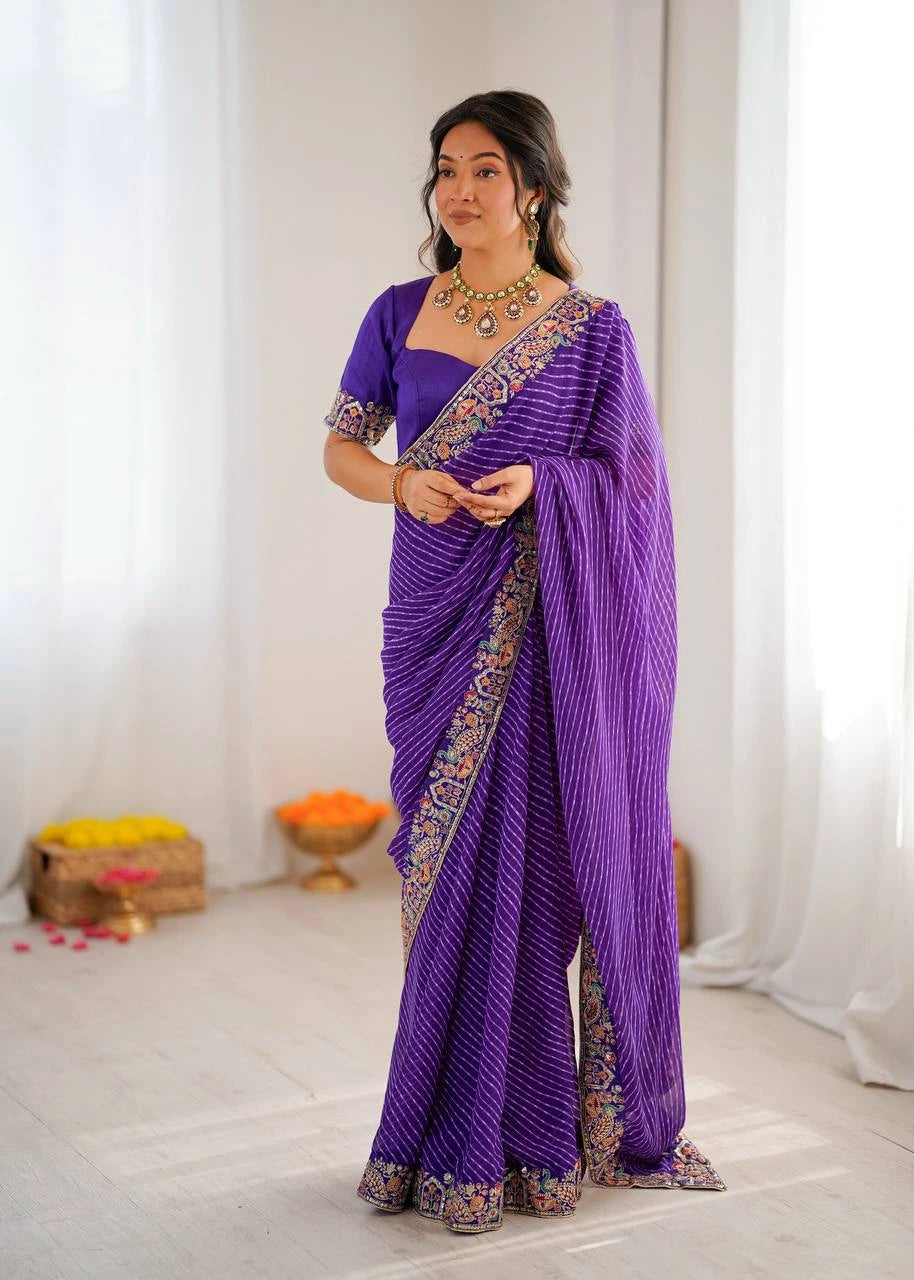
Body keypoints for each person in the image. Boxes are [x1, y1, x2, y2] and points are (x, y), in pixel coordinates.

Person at [322, 90, 726, 1236]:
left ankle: (531, 1138)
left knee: (533, 883)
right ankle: (433, 1135)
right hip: (431, 620)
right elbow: (342, 447)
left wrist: (545, 483)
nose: (458, 189)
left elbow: (632, 486)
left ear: (534, 190)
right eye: (445, 168)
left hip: (548, 634)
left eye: (485, 169)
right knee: (442, 873)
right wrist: (401, 481)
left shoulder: (591, 330)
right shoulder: (398, 311)